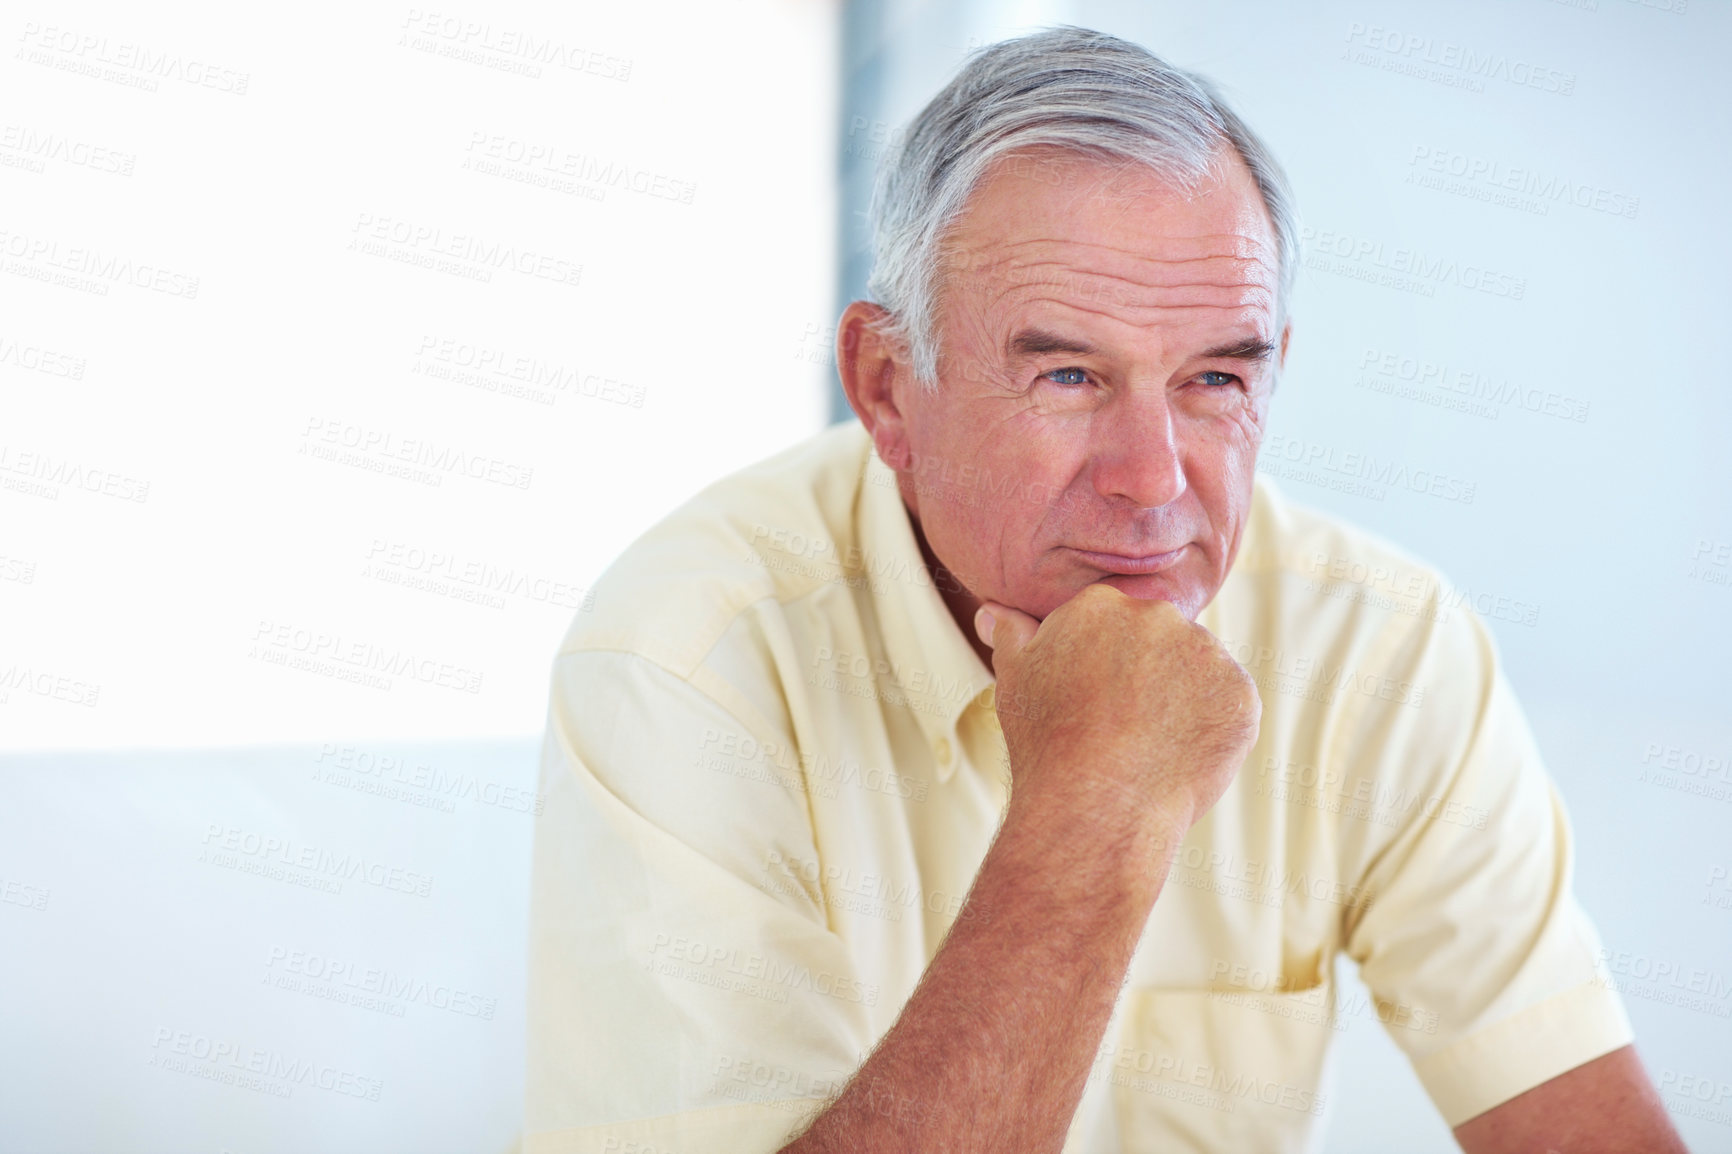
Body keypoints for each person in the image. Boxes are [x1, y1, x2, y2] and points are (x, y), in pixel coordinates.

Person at [522, 26, 1684, 1153]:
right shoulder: (682, 653)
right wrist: (1101, 802)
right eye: (1069, 373)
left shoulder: (1381, 648)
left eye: (1214, 377)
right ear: (886, 387)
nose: (1153, 480)